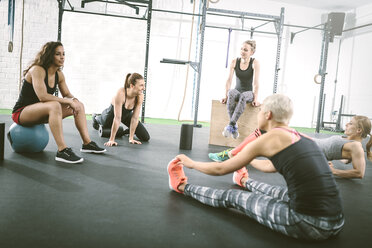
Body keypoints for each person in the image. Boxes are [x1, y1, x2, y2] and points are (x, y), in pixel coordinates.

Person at [168, 94, 344, 240]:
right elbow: (269, 166)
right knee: (274, 191)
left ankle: (182, 186)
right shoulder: (299, 136)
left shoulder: (269, 138)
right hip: (336, 219)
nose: (258, 115)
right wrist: (247, 159)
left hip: (308, 223)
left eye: (259, 111)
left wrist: (191, 164)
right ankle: (244, 180)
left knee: (233, 196)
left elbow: (220, 169)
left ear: (267, 115)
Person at [11, 41, 106, 164]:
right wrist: (68, 101)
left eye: (63, 54)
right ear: (50, 55)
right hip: (22, 113)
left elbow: (67, 94)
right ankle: (62, 150)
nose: (62, 57)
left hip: (41, 111)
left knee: (79, 105)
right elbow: (43, 96)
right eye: (58, 54)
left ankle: (87, 143)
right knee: (54, 105)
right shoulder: (37, 70)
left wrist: (74, 100)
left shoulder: (59, 74)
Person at [209, 116, 372, 179]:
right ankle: (235, 155)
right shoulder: (350, 143)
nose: (346, 124)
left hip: (308, 147)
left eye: (350, 123)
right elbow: (343, 157)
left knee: (266, 132)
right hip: (309, 142)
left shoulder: (357, 146)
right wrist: (339, 160)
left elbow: (360, 173)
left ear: (358, 130)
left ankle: (233, 155)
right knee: (265, 132)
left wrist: (334, 171)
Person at [92, 73, 150, 146]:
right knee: (104, 123)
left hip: (126, 115)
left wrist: (131, 138)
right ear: (132, 86)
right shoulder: (121, 93)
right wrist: (111, 140)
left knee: (145, 137)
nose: (144, 88)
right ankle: (96, 118)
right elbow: (117, 118)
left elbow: (135, 118)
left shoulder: (140, 96)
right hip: (111, 114)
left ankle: (125, 132)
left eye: (144, 85)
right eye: (141, 85)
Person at [221, 40, 260, 139]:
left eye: (246, 50)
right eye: (242, 49)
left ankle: (230, 125)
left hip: (249, 93)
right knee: (231, 93)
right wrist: (225, 95)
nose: (242, 51)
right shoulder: (235, 61)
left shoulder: (255, 63)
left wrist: (255, 98)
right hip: (237, 90)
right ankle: (234, 127)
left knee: (243, 96)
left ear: (252, 52)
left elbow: (256, 82)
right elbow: (229, 80)